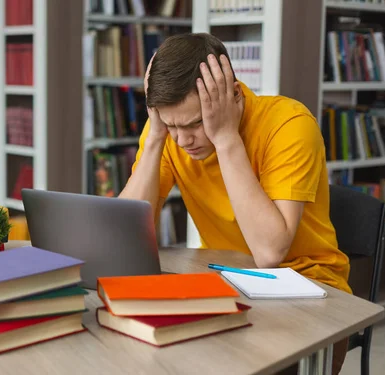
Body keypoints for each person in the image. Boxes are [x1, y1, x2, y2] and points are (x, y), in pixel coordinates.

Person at [118, 33, 350, 375]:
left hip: (310, 287)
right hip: (227, 284)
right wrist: (154, 138)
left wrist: (226, 138)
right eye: (171, 126)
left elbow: (270, 254)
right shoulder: (170, 134)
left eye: (196, 123)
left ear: (234, 95)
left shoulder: (289, 125)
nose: (183, 141)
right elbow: (126, 237)